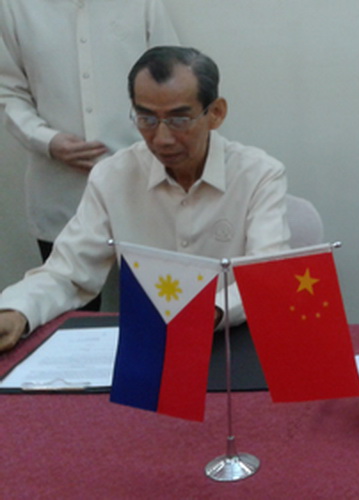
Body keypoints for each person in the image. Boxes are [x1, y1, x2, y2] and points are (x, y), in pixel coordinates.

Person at [0, 46, 291, 352]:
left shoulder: (259, 175)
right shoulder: (113, 176)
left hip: (231, 341)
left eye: (179, 119)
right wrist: (17, 310)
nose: (162, 138)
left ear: (215, 113)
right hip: (148, 347)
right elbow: (68, 273)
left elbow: (265, 280)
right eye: (147, 119)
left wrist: (209, 313)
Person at [0, 1, 179, 307]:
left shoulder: (143, 4)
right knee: (66, 314)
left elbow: (176, 78)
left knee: (155, 311)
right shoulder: (15, 7)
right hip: (60, 190)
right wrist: (47, 140)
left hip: (144, 184)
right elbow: (8, 91)